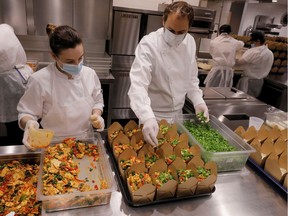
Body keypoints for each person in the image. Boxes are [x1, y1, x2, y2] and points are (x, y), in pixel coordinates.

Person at [128, 1, 209, 147]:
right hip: (153, 116)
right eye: (171, 30)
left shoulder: (190, 42)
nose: (175, 36)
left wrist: (198, 100)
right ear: (163, 21)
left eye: (181, 32)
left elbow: (191, 78)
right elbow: (138, 85)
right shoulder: (149, 44)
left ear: (189, 28)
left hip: (178, 116)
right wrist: (147, 117)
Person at [17, 24, 105, 150]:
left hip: (86, 142)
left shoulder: (90, 74)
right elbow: (26, 112)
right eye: (69, 61)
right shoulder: (39, 80)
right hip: (54, 145)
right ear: (54, 56)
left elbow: (97, 101)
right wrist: (29, 123)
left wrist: (97, 115)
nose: (77, 65)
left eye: (80, 58)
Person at [0, 24, 33, 145]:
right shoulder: (4, 29)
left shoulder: (4, 29)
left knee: (20, 124)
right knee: (18, 126)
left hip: (10, 81)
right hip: (15, 78)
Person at [236, 31, 274, 97]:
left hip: (248, 81)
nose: (252, 44)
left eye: (252, 42)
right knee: (252, 101)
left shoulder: (253, 51)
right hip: (259, 82)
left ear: (258, 40)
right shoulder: (270, 53)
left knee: (242, 100)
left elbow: (239, 62)